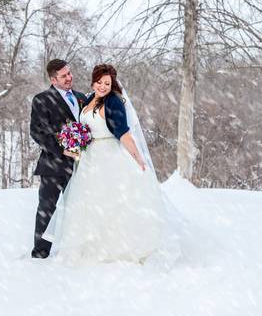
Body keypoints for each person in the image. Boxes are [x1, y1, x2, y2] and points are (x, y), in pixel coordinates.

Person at [42, 63, 167, 265]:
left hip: (109, 156)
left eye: (107, 83)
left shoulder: (113, 102)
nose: (102, 86)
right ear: (93, 82)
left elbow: (124, 134)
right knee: (89, 202)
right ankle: (91, 245)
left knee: (111, 201)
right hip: (89, 158)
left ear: (112, 84)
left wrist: (138, 158)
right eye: (99, 82)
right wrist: (75, 140)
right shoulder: (90, 99)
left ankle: (116, 247)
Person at [29, 59, 88, 259]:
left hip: (82, 165)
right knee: (47, 209)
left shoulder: (81, 98)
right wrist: (63, 150)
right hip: (53, 165)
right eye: (64, 76)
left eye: (69, 73)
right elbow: (37, 132)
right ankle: (40, 252)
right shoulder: (42, 99)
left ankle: (78, 247)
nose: (69, 77)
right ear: (53, 79)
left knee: (80, 207)